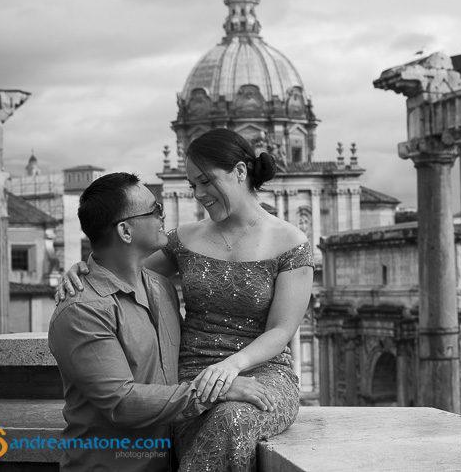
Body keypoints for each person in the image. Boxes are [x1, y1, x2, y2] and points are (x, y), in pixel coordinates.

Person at [60, 129, 314, 471]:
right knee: (218, 416)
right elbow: (121, 265)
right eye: (193, 184)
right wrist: (81, 269)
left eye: (206, 181)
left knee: (233, 418)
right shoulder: (183, 241)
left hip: (262, 373)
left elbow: (282, 330)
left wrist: (231, 367)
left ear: (240, 172)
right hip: (191, 375)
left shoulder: (292, 242)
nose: (198, 194)